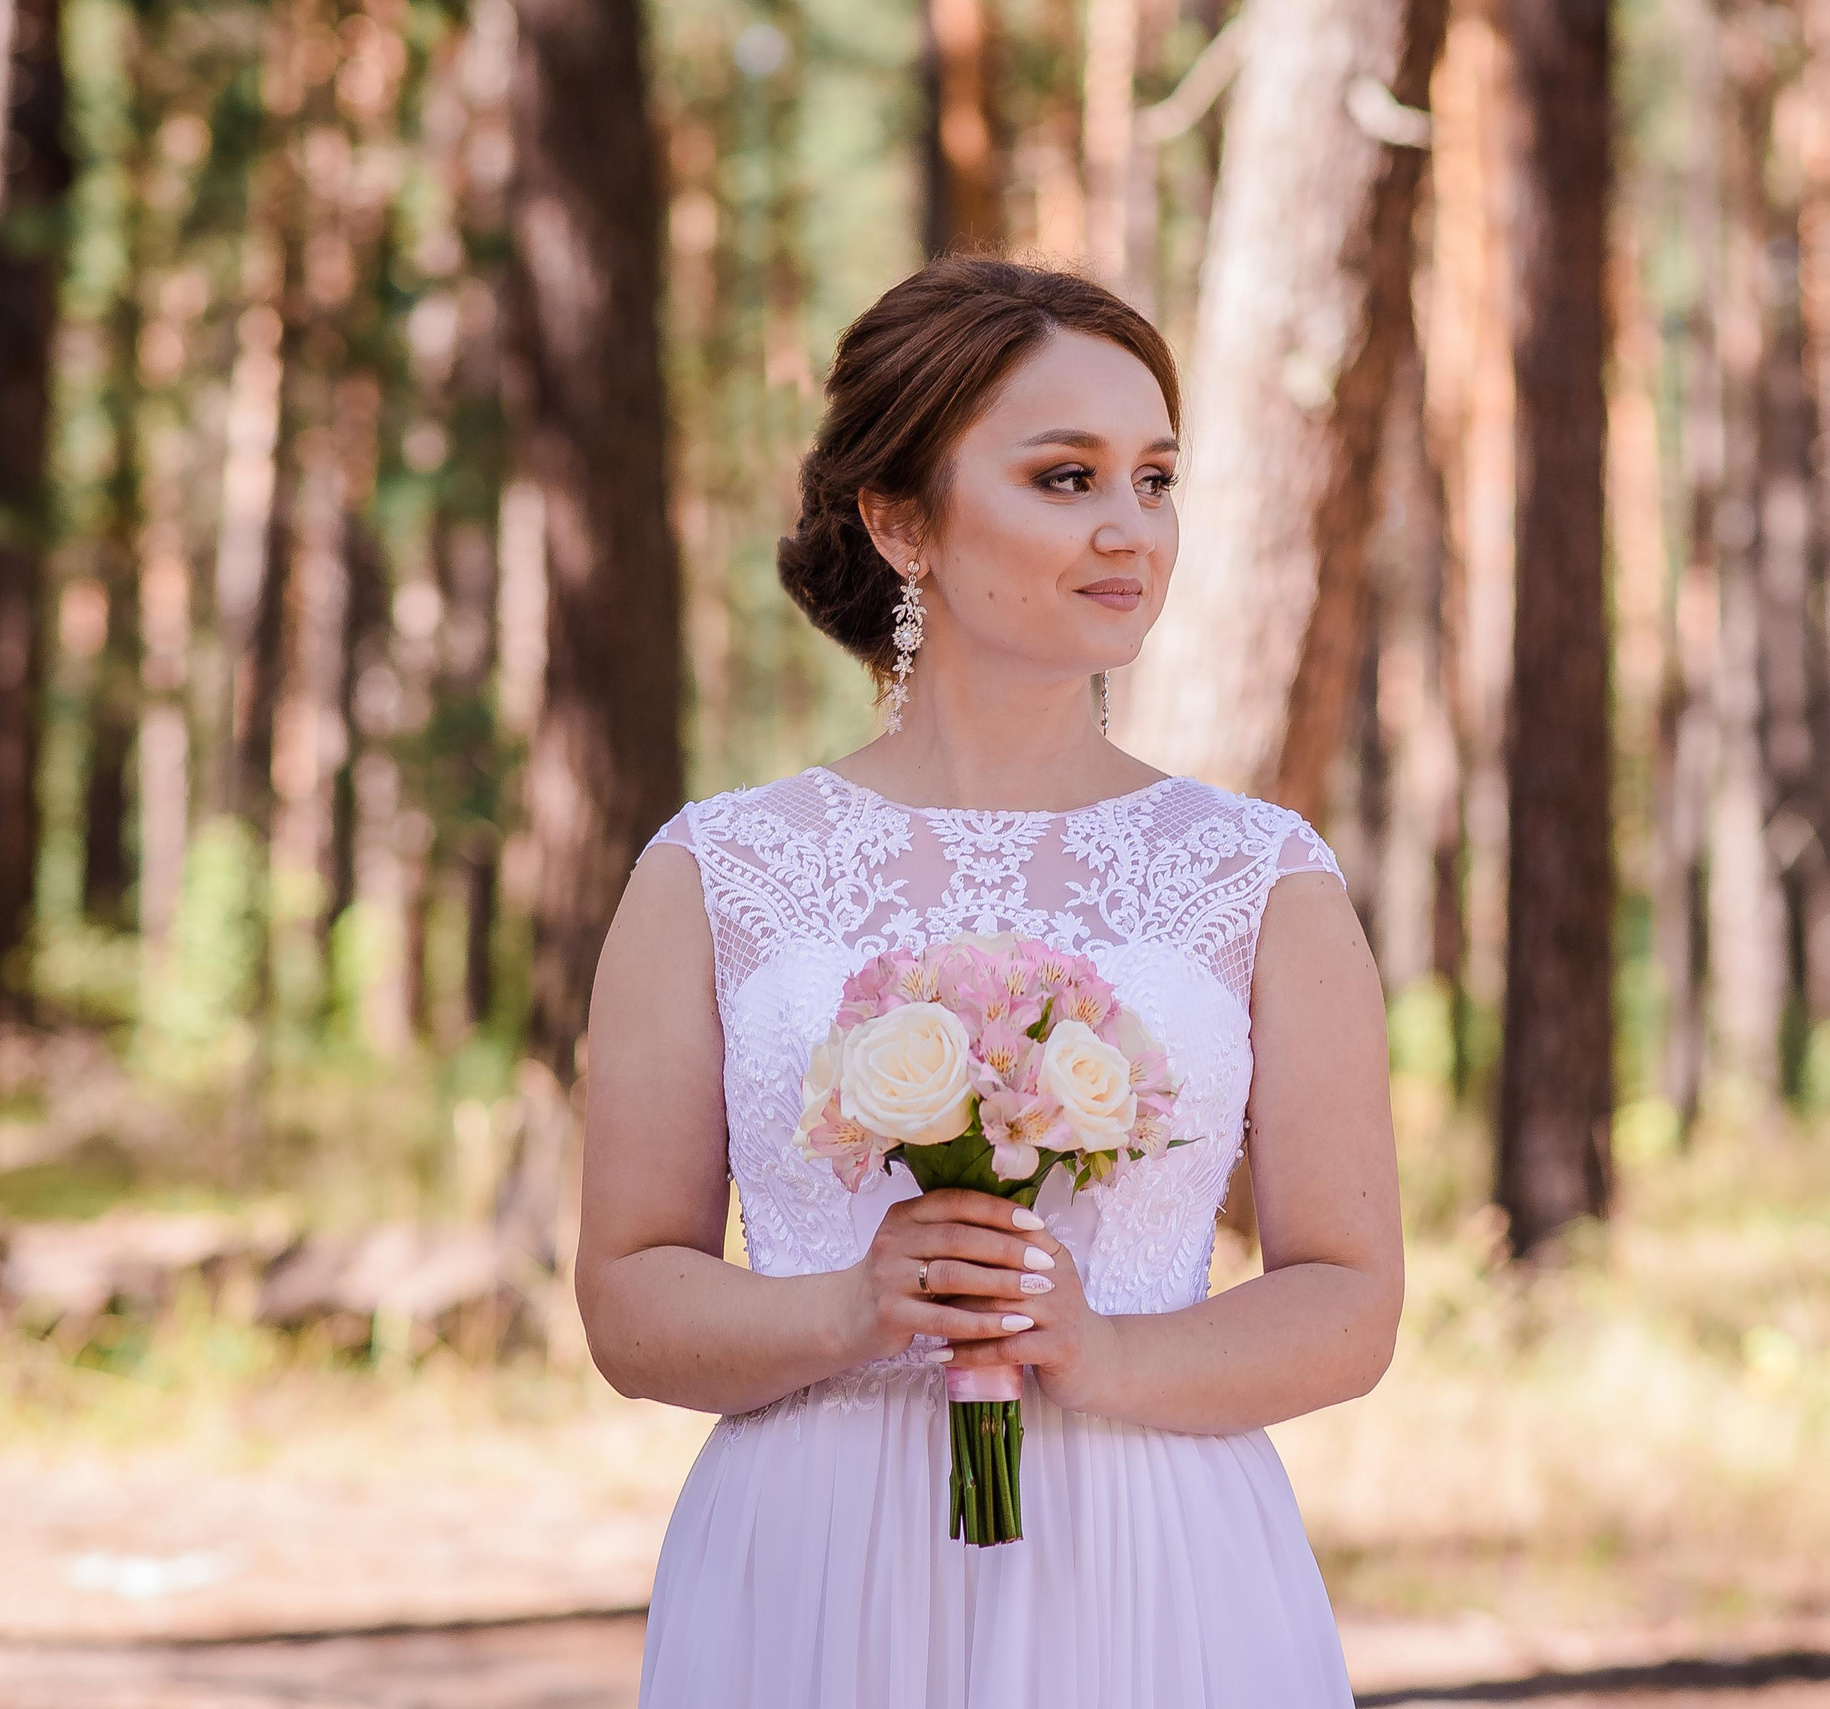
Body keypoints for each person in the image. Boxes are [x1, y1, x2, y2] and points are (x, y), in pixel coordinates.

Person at [577, 255, 1402, 1706]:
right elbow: (630, 1298)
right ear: (902, 521)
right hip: (814, 1567)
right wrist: (848, 1310)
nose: (1130, 529)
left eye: (1155, 478)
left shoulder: (1261, 877)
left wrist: (1104, 1351)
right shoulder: (715, 872)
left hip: (1153, 1567)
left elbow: (1348, 1299)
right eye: (1066, 478)